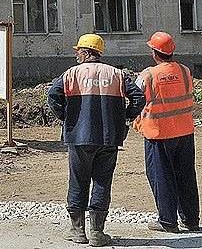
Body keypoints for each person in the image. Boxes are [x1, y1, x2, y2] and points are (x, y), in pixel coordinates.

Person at [48, 33, 145, 246]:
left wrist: (66, 117)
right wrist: (124, 116)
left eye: (78, 51)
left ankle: (77, 231)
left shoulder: (71, 74)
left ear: (85, 52)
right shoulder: (117, 74)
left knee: (78, 181)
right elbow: (139, 97)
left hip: (79, 137)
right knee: (102, 182)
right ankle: (97, 233)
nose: (76, 55)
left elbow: (52, 97)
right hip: (109, 137)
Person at [133, 31, 200, 233]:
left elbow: (135, 99)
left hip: (159, 134)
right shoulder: (185, 71)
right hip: (184, 132)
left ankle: (167, 221)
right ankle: (190, 220)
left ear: (155, 53)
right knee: (186, 175)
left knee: (161, 176)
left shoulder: (148, 75)